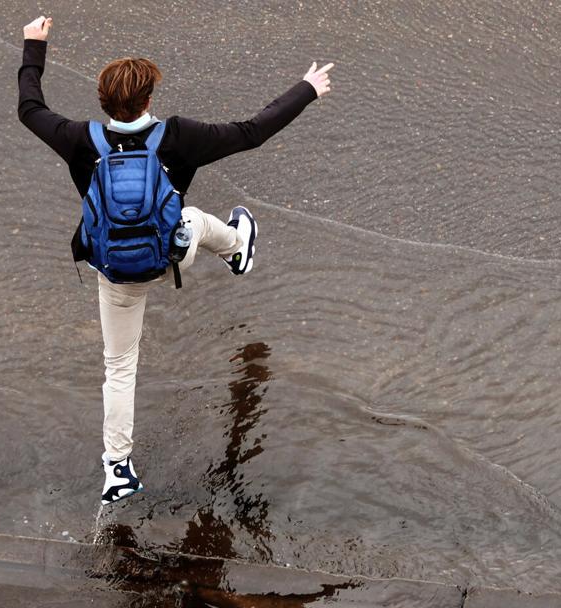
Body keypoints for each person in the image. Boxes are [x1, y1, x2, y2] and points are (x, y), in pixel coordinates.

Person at [17, 14, 333, 505]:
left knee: (120, 367)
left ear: (104, 102)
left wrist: (33, 45)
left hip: (115, 271)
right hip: (169, 258)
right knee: (193, 217)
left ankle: (118, 468)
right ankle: (235, 249)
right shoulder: (178, 137)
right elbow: (253, 131)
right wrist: (307, 88)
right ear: (148, 100)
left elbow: (29, 108)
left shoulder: (80, 140)